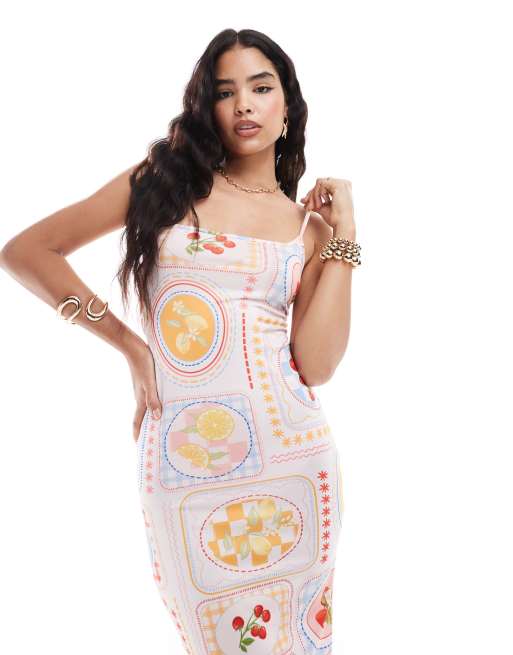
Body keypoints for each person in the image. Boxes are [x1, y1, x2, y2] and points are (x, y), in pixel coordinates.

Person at [1, 27, 360, 654]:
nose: (243, 104)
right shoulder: (165, 184)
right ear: (207, 107)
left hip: (293, 461)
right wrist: (128, 345)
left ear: (288, 106)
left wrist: (344, 238)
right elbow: (28, 252)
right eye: (225, 92)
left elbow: (317, 364)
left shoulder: (306, 230)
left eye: (261, 88)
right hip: (184, 467)